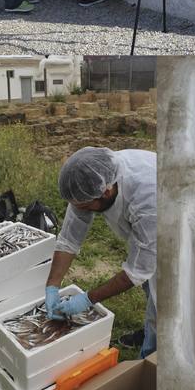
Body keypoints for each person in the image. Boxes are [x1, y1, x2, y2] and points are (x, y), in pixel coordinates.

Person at [45, 146, 156, 357]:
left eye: (85, 207)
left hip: (180, 232)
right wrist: (52, 286)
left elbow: (136, 272)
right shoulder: (94, 179)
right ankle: (150, 331)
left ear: (106, 192)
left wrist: (87, 299)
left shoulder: (148, 199)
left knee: (166, 302)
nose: (81, 210)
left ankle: (152, 358)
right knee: (152, 288)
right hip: (148, 233)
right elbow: (68, 239)